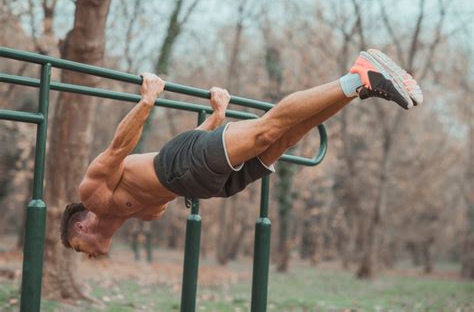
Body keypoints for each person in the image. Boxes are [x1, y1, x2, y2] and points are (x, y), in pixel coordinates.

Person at [60, 49, 422, 258]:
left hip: (183, 164)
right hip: (211, 183)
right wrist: (216, 117)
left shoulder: (92, 194)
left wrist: (147, 100)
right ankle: (361, 89)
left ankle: (359, 75)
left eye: (77, 248)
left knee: (269, 127)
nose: (86, 255)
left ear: (81, 225)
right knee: (286, 139)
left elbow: (120, 148)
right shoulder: (145, 215)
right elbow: (182, 158)